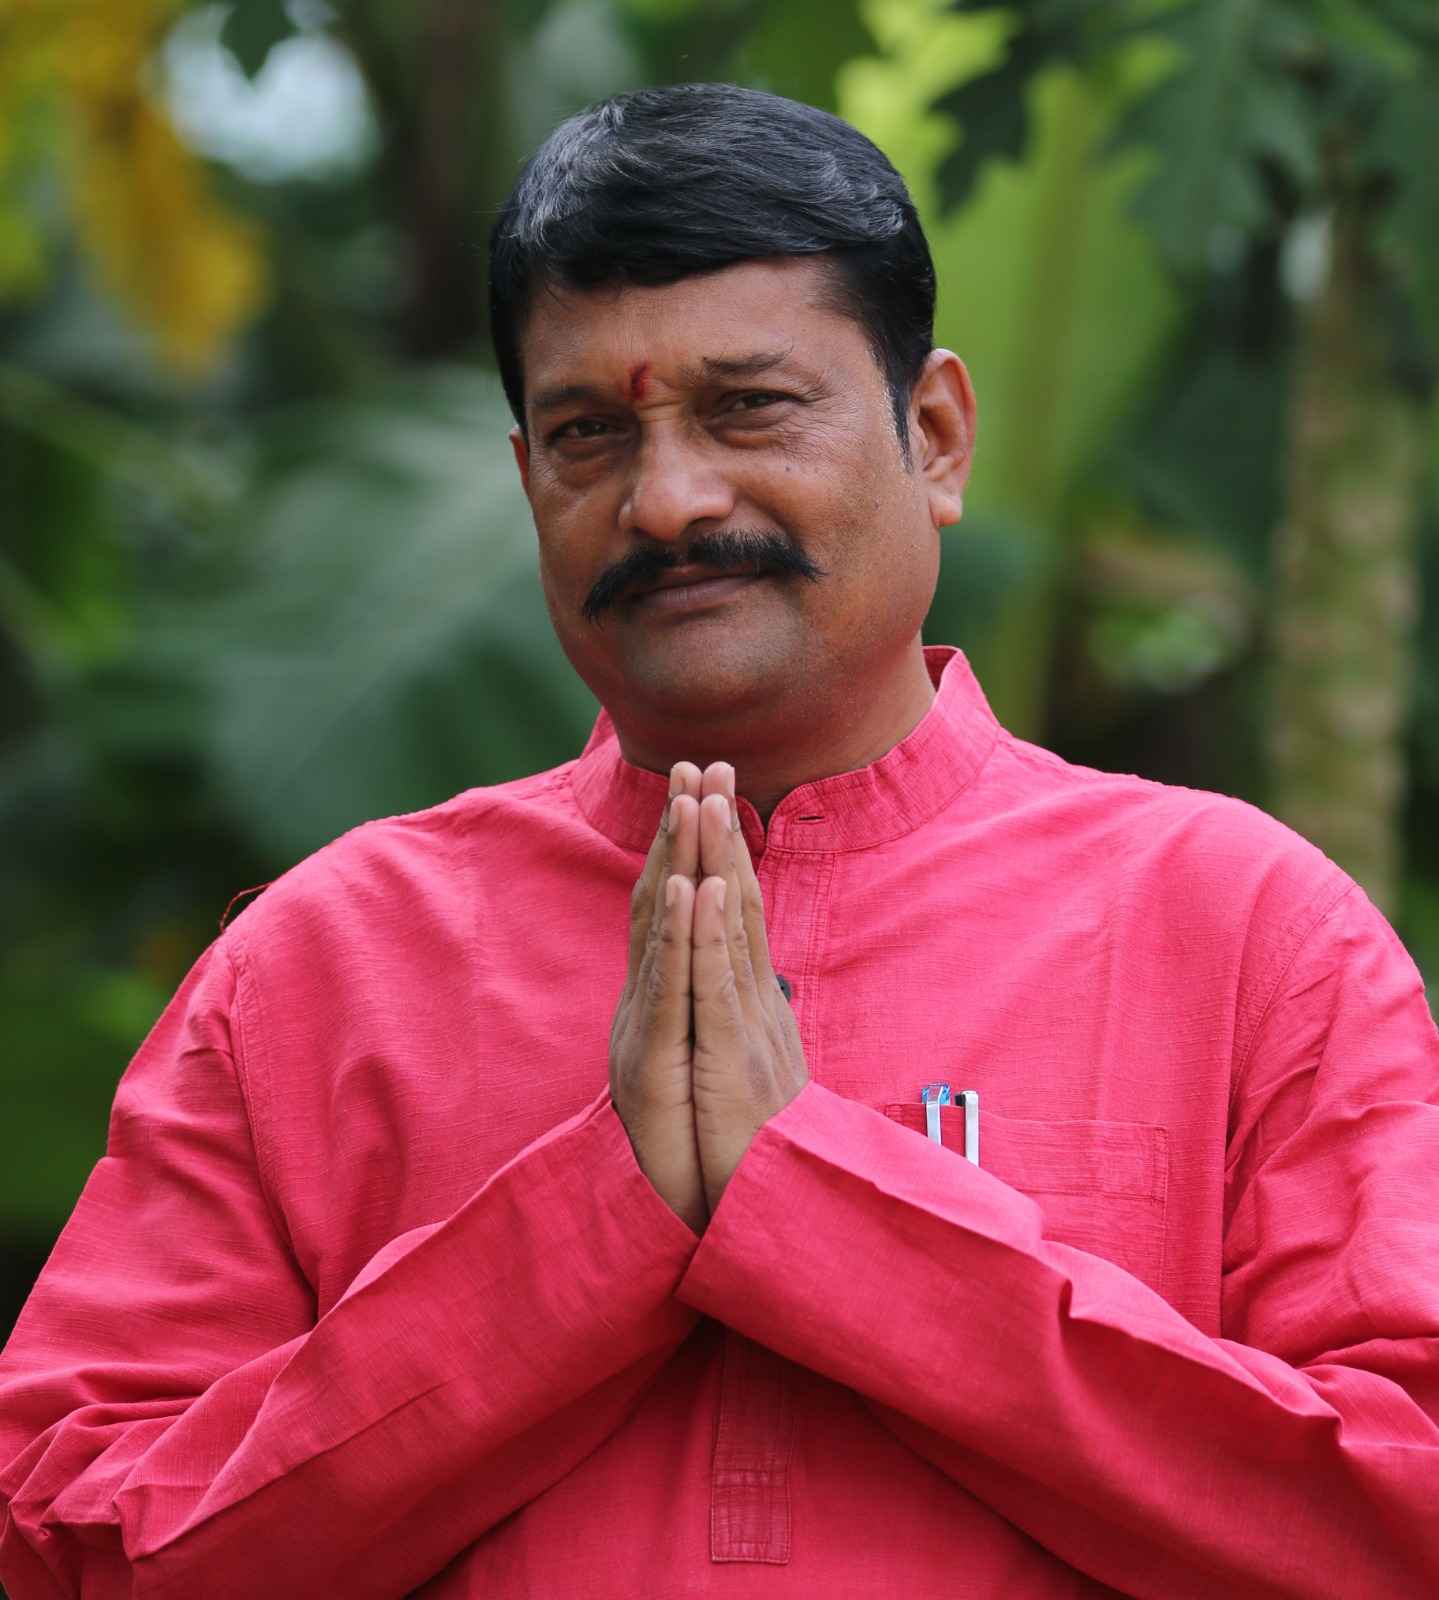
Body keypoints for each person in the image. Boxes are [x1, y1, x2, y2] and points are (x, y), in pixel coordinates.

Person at [2, 82, 1437, 1600]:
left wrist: (831, 1218)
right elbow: (69, 1540)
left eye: (748, 407)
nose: (669, 500)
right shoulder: (324, 960)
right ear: (528, 481)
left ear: (935, 437)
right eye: (589, 434)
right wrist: (590, 1228)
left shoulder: (1242, 928)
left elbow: (1404, 1515)